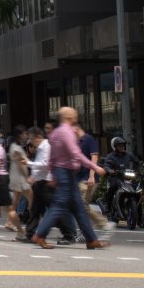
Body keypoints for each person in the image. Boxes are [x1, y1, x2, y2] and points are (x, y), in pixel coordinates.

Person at [32, 107, 109, 250]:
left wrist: (53, 174)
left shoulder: (55, 133)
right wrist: (95, 167)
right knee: (59, 205)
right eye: (74, 114)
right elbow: (76, 154)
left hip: (64, 173)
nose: (76, 116)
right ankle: (40, 235)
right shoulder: (67, 132)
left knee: (79, 208)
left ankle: (91, 239)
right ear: (68, 116)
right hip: (66, 173)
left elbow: (52, 158)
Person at [24, 126, 75, 244]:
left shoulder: (46, 147)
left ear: (37, 137)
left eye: (31, 138)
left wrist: (28, 163)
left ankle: (68, 235)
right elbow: (41, 167)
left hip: (47, 184)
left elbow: (45, 164)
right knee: (35, 210)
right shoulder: (40, 148)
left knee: (55, 210)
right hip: (40, 182)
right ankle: (30, 234)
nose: (30, 142)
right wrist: (33, 177)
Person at [102, 137, 144, 228]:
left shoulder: (128, 155)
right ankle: (107, 206)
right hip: (116, 178)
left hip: (128, 178)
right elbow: (106, 165)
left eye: (123, 146)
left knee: (137, 194)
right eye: (119, 146)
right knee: (112, 187)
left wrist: (138, 170)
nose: (122, 147)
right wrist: (110, 170)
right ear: (115, 147)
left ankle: (140, 220)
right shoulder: (111, 156)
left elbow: (137, 162)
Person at [77, 125, 108, 232]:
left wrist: (91, 176)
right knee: (78, 205)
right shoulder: (75, 141)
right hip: (79, 178)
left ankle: (100, 224)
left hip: (88, 178)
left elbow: (94, 157)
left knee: (82, 205)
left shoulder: (88, 139)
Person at [4, 125, 31, 239]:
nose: (26, 135)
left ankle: (9, 222)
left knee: (15, 200)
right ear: (20, 135)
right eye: (25, 133)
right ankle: (32, 227)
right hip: (20, 178)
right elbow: (21, 165)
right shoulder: (16, 148)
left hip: (16, 176)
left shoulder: (16, 146)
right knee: (32, 201)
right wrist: (27, 177)